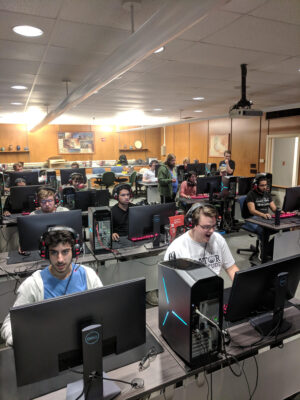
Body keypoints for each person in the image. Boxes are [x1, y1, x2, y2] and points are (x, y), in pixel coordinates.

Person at [0, 227, 102, 346]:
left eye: (65, 252)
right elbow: (9, 323)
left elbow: (103, 312)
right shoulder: (33, 285)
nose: (60, 259)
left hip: (84, 343)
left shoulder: (89, 276)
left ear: (75, 251)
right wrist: (17, 340)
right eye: (54, 252)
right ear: (46, 253)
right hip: (48, 347)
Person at [164, 203, 239, 281]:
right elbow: (170, 282)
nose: (212, 231)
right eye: (206, 227)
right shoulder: (176, 249)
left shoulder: (218, 240)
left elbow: (231, 268)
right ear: (193, 224)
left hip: (214, 290)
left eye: (213, 226)